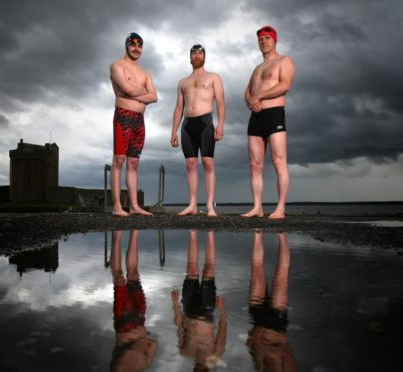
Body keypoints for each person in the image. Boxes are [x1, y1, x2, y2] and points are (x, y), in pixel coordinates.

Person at [241, 25, 295, 219]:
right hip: (256, 117)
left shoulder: (284, 60)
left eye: (267, 38)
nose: (263, 42)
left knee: (279, 161)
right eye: (260, 39)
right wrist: (250, 101)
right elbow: (247, 92)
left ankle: (280, 208)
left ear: (274, 40)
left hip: (274, 114)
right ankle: (257, 207)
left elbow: (285, 85)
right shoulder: (257, 68)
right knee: (255, 164)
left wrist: (259, 96)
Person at [170, 44, 226, 217]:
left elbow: (221, 102)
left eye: (200, 52)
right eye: (194, 53)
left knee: (208, 163)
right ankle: (192, 205)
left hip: (205, 122)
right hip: (187, 125)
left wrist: (220, 125)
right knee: (190, 164)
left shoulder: (213, 77)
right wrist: (174, 131)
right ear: (190, 58)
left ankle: (210, 206)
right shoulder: (183, 82)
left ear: (204, 57)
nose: (197, 55)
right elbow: (179, 107)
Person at [110, 32, 158, 217]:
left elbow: (153, 97)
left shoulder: (145, 73)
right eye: (133, 44)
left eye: (139, 45)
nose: (136, 48)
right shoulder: (117, 66)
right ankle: (116, 206)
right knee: (119, 160)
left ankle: (134, 206)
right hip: (123, 117)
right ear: (126, 45)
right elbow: (127, 90)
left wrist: (132, 93)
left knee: (134, 163)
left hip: (139, 121)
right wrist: (139, 92)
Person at [171, 230, 228, 371]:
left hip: (188, 308)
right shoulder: (215, 356)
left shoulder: (184, 352)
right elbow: (222, 333)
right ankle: (210, 232)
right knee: (209, 270)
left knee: (192, 270)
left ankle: (193, 233)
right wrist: (221, 311)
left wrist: (175, 304)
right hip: (207, 312)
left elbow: (180, 327)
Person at [246, 231, 297, 371]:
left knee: (256, 272)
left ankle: (257, 233)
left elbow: (249, 342)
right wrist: (270, 349)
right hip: (277, 324)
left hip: (258, 322)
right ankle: (283, 234)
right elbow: (285, 349)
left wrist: (257, 346)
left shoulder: (259, 367)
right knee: (281, 276)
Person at [109, 230, 158, 371]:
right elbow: (154, 344)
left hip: (123, 322)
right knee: (134, 274)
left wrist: (135, 344)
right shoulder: (145, 365)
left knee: (118, 278)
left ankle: (117, 235)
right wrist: (143, 339)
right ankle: (135, 231)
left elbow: (122, 354)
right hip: (139, 316)